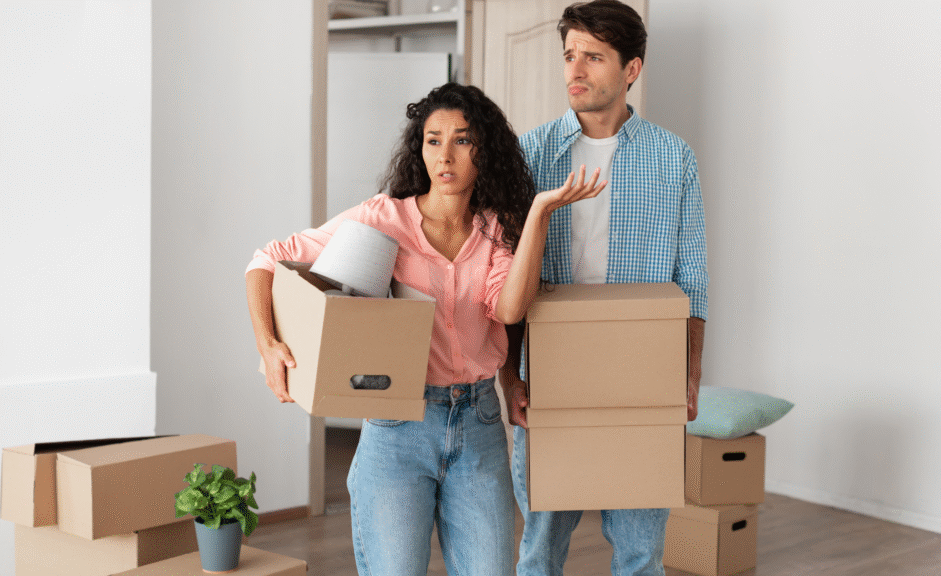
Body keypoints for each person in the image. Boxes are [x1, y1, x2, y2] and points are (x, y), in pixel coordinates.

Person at [245, 83, 605, 576]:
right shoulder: (384, 220)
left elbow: (509, 310)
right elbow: (267, 259)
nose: (446, 155)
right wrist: (268, 345)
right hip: (398, 429)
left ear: (485, 150)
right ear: (420, 148)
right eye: (433, 140)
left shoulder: (498, 229)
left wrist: (539, 213)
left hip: (478, 424)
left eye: (462, 139)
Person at [498, 2, 708, 575]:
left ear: (631, 70)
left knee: (641, 555)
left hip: (641, 376)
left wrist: (687, 379)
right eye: (569, 56)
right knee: (540, 550)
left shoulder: (673, 159)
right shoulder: (530, 154)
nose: (576, 70)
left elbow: (692, 282)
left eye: (593, 56)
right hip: (549, 374)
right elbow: (503, 274)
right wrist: (509, 375)